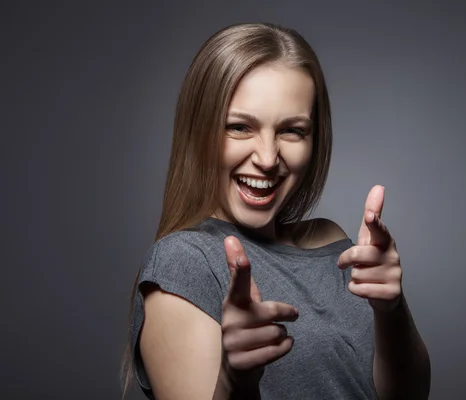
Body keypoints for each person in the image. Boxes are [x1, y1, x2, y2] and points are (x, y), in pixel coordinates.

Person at [121, 22, 431, 400]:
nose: (267, 159)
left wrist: (392, 309)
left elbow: (408, 394)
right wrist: (235, 381)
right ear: (199, 130)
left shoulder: (333, 240)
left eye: (292, 131)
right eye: (239, 127)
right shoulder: (183, 263)